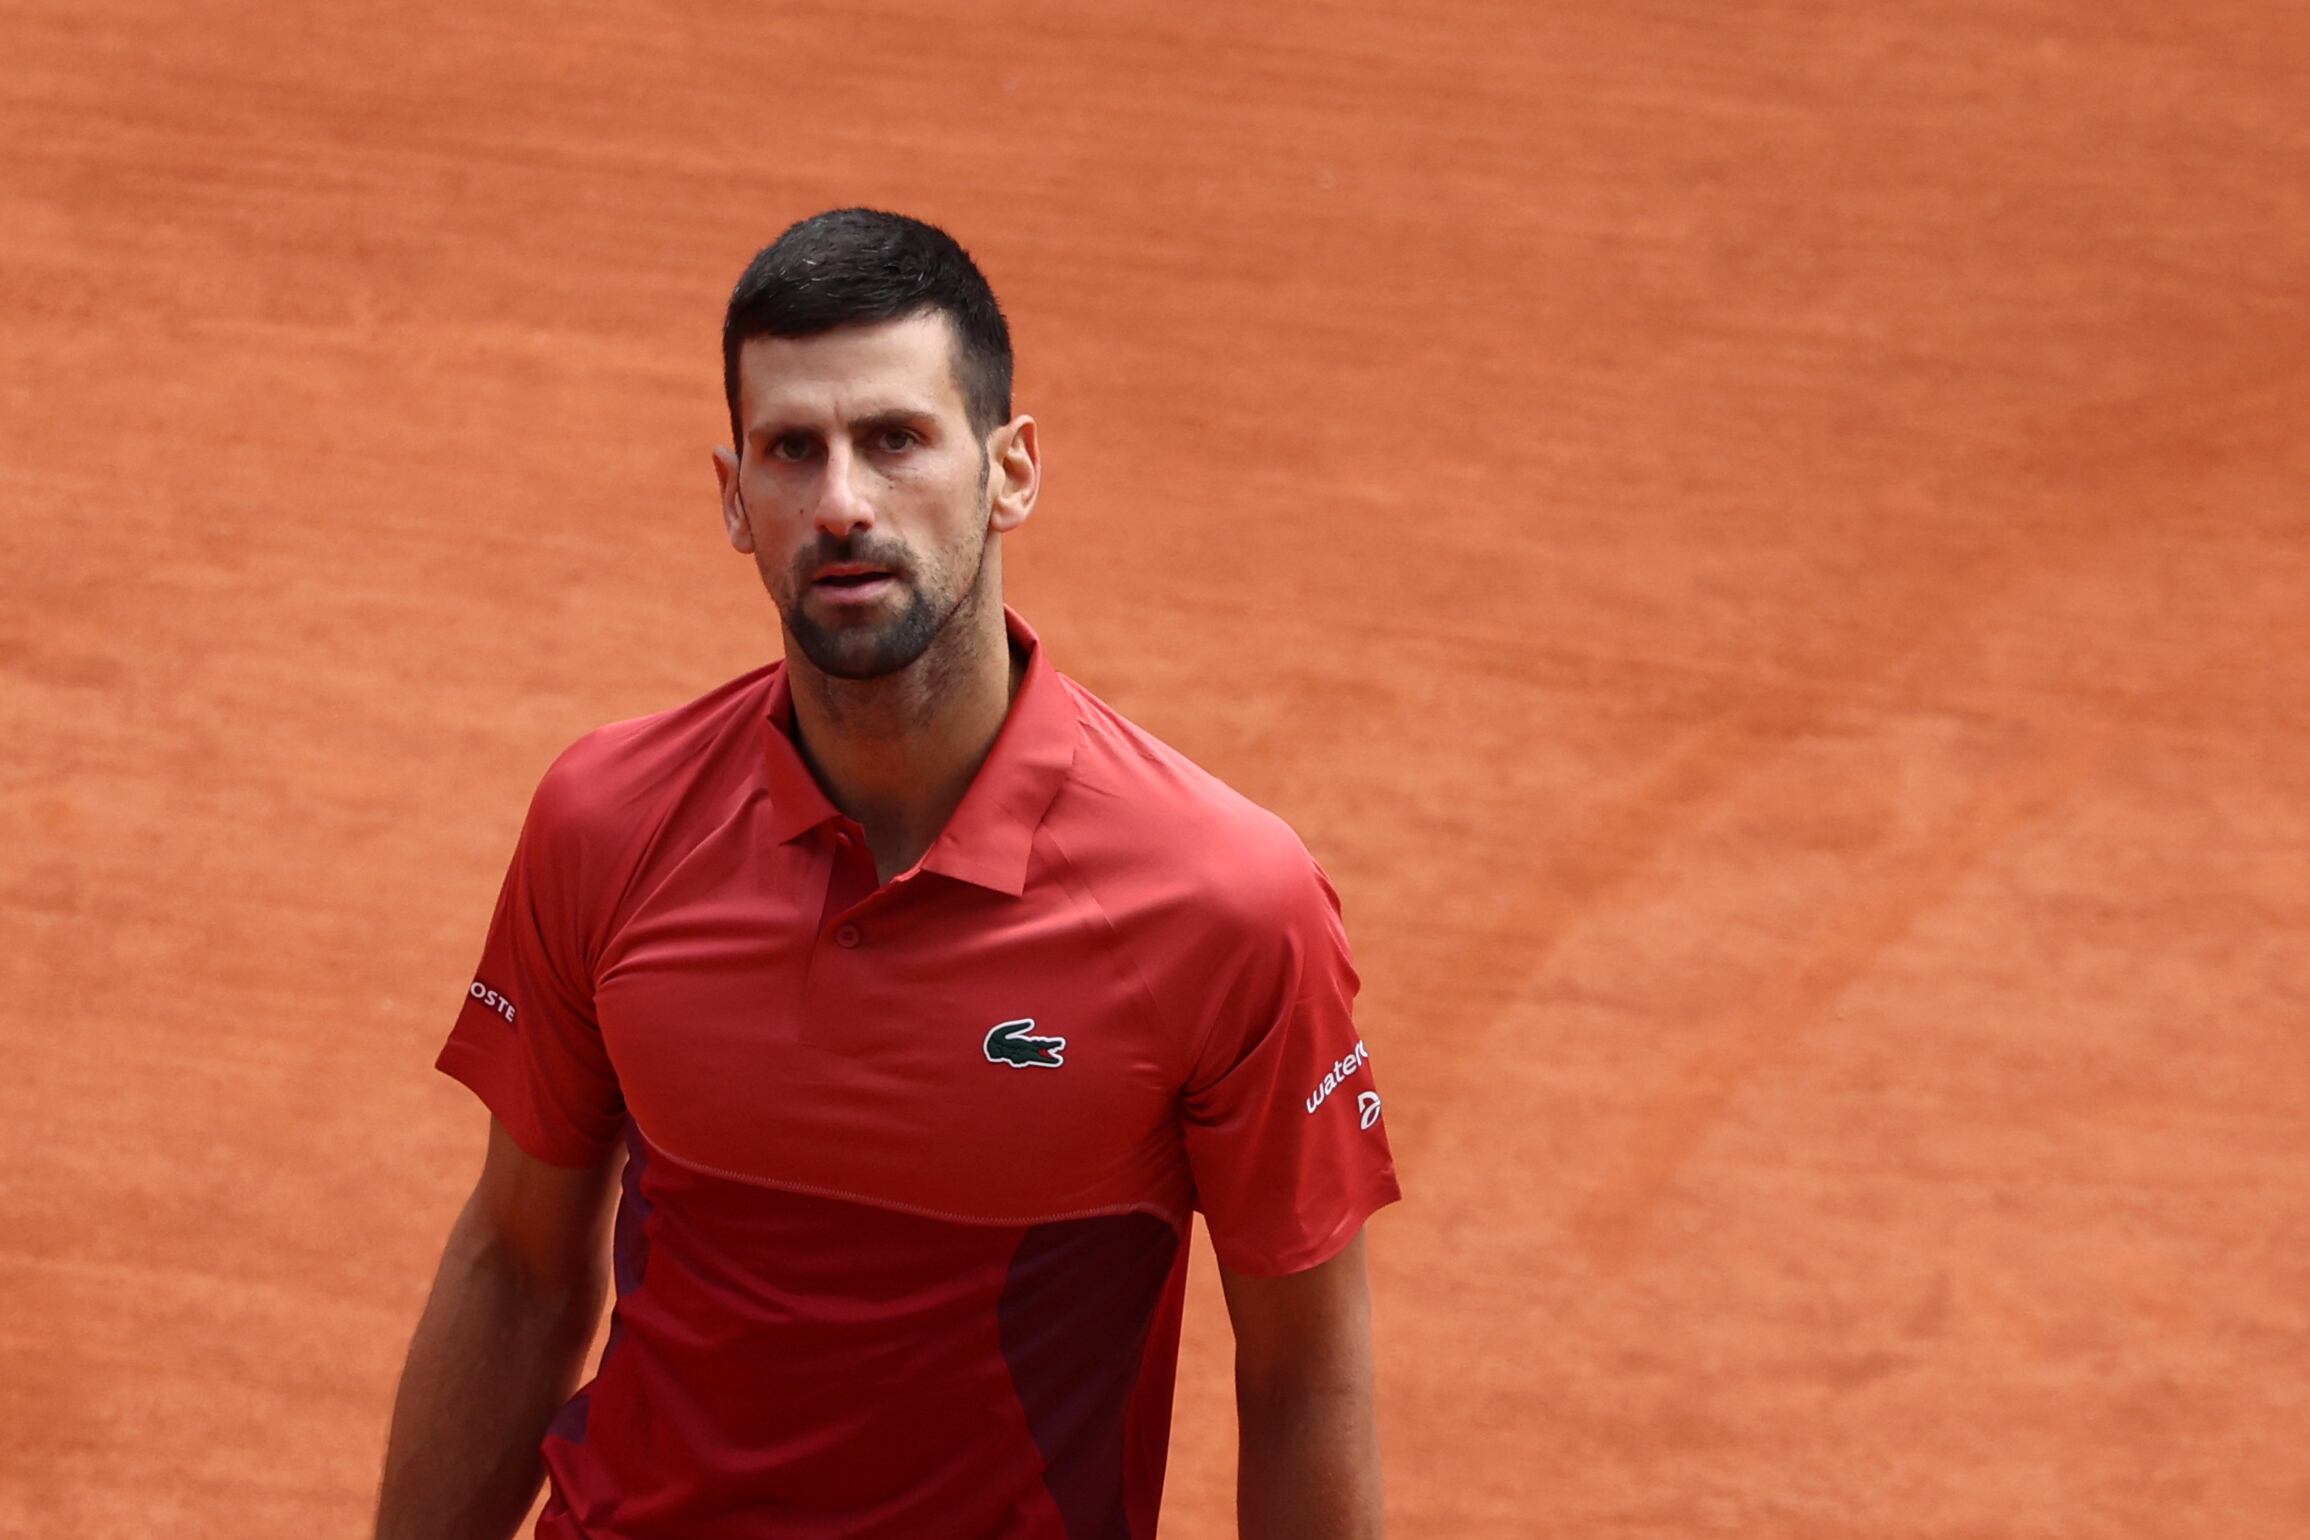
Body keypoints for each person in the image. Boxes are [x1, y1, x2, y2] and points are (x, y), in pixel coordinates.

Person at [375, 208, 1401, 1540]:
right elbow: (517, 1266)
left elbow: (1301, 1368)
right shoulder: (608, 823)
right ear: (734, 499)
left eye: (896, 440)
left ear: (1010, 470)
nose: (843, 501)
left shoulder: (1219, 902)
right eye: (791, 450)